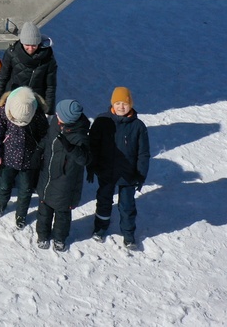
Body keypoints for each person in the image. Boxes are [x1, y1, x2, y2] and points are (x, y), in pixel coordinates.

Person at [89, 87, 150, 250]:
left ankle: (129, 234)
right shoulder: (102, 121)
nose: (121, 107)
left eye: (124, 103)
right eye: (117, 103)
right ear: (112, 104)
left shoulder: (138, 126)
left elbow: (143, 153)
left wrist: (141, 174)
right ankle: (100, 229)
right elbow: (93, 145)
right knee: (103, 201)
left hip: (128, 174)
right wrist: (91, 165)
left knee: (127, 205)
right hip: (106, 171)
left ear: (130, 104)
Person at [0, 87, 50, 230]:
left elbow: (45, 136)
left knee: (25, 189)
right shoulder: (4, 111)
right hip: (7, 157)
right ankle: (2, 203)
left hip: (29, 160)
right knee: (4, 185)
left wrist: (39, 153)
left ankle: (21, 214)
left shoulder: (37, 114)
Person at [36, 99, 90, 252]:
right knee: (44, 211)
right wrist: (39, 150)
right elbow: (48, 138)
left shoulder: (80, 136)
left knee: (62, 214)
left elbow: (85, 159)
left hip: (65, 182)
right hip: (47, 175)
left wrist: (71, 148)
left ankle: (60, 238)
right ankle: (42, 235)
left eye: (59, 114)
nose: (56, 115)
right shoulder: (56, 123)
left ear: (68, 119)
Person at [0, 20, 58, 115]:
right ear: (22, 42)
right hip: (12, 99)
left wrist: (49, 111)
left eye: (34, 45)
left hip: (34, 103)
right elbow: (3, 77)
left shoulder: (48, 58)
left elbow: (50, 86)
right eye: (27, 45)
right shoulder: (12, 53)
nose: (30, 48)